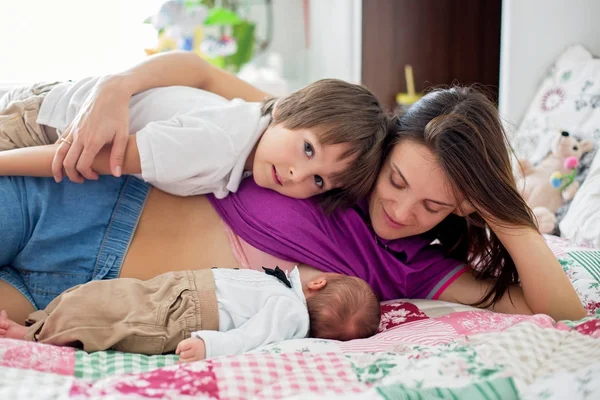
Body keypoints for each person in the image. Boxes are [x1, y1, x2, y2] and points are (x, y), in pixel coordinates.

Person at [0, 52, 585, 325]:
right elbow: (202, 74)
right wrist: (118, 87)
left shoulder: (414, 265)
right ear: (381, 149)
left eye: (434, 206)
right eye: (398, 180)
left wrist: (504, 210)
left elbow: (558, 310)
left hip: (67, 293)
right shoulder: (319, 147)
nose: (403, 211)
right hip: (75, 198)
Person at [0, 77, 391, 208]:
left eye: (319, 181)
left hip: (57, 109)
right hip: (44, 125)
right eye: (308, 149)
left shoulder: (255, 130)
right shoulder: (215, 146)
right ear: (290, 109)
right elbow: (82, 157)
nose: (296, 175)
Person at [0, 266, 381, 360]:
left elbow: (251, 338)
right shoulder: (283, 291)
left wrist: (208, 346)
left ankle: (28, 337)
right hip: (181, 291)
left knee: (111, 317)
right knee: (100, 295)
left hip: (188, 312)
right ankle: (36, 324)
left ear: (320, 283)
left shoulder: (290, 312)